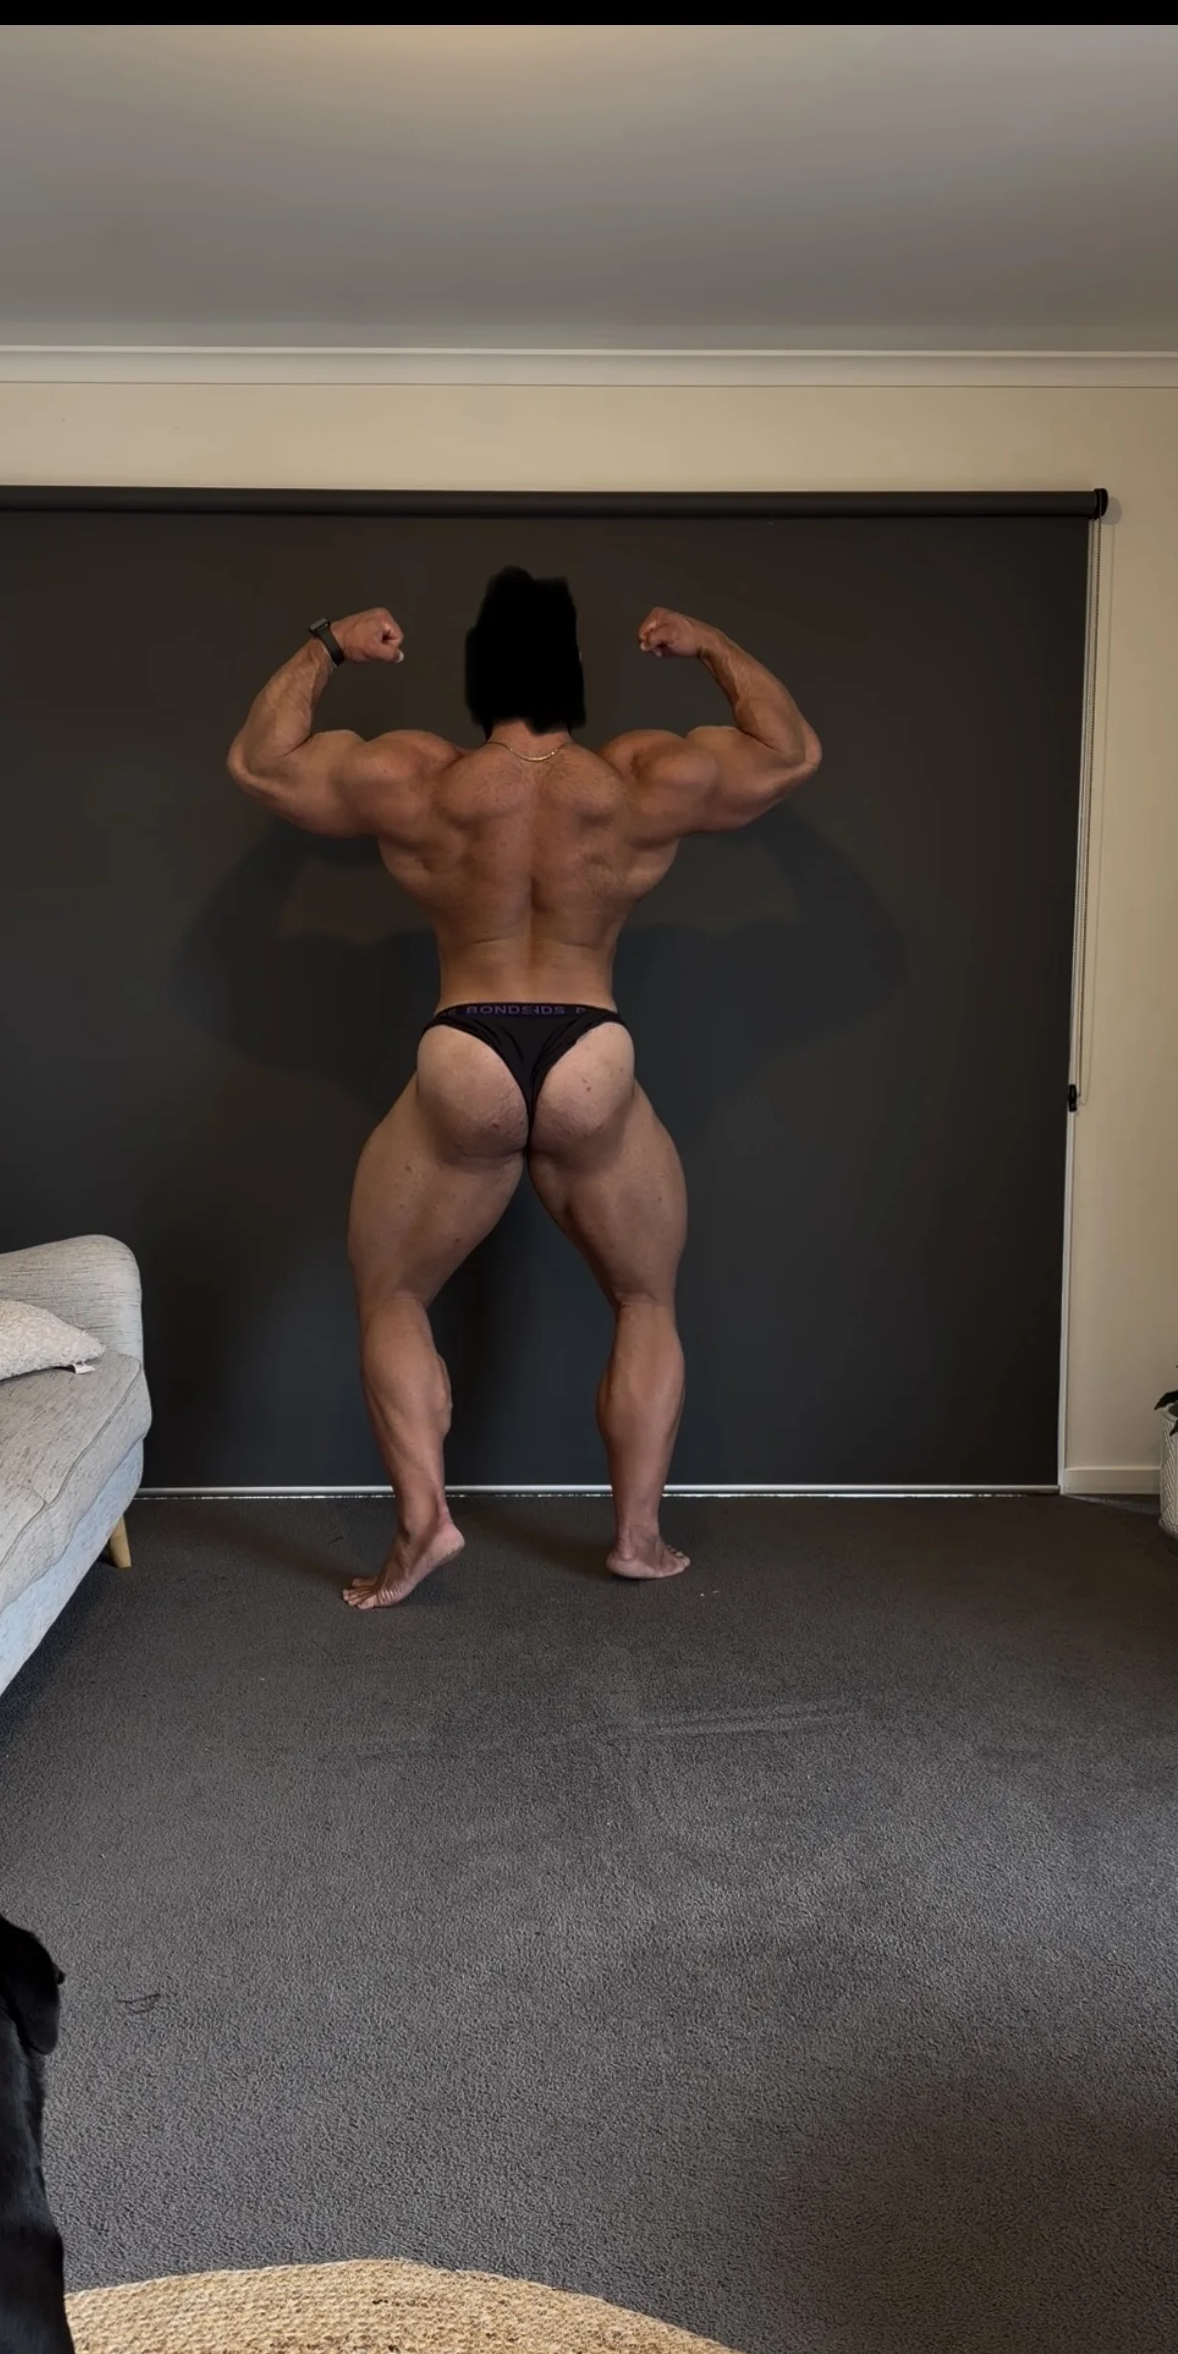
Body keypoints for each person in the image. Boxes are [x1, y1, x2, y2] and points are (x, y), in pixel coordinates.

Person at [227, 570, 820, 1608]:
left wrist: (327, 644)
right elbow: (790, 751)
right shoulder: (636, 779)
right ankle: (637, 1538)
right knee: (644, 1298)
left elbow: (259, 762)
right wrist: (711, 642)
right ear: (575, 676)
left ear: (476, 676)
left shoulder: (422, 778)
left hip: (467, 1045)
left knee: (392, 1294)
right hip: (592, 1047)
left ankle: (424, 1526)